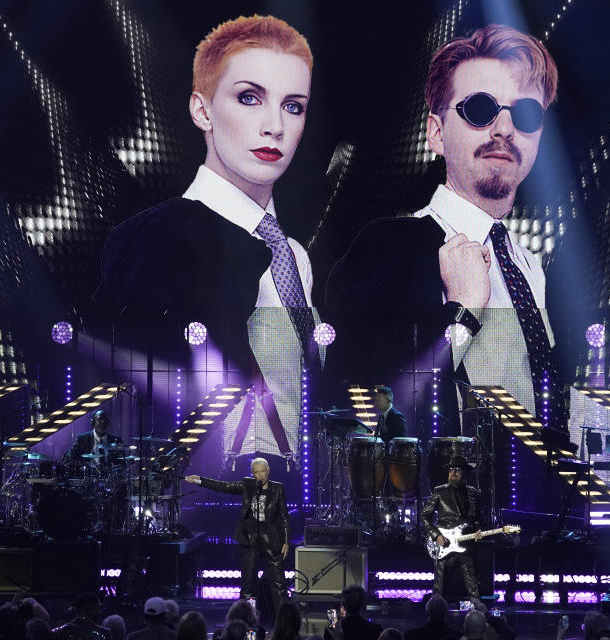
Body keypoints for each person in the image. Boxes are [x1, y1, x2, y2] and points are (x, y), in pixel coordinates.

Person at [93, 14, 320, 465]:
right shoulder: (156, 236)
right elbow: (124, 389)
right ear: (202, 110)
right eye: (249, 98)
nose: (274, 125)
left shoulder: (294, 255)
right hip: (195, 488)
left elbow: (306, 391)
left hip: (296, 488)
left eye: (293, 106)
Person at [325, 24, 565, 432]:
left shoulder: (529, 266)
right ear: (436, 133)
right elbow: (355, 405)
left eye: (525, 114)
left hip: (535, 488)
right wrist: (462, 312)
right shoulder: (387, 245)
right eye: (480, 109)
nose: (505, 129)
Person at [186, 458, 289, 608]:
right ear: (253, 474)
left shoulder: (278, 488)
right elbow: (224, 486)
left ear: (268, 471)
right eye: (256, 472)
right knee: (248, 585)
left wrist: (286, 541)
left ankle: (284, 622)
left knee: (279, 584)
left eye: (262, 471)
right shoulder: (248, 485)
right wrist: (200, 480)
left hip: (271, 540)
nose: (260, 475)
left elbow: (284, 516)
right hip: (250, 540)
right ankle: (248, 620)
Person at [421, 456, 484, 600]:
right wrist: (436, 535)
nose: (453, 472)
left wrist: (478, 530)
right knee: (440, 586)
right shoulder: (439, 491)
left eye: (457, 470)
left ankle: (478, 615)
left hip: (466, 543)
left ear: (465, 473)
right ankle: (435, 614)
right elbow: (424, 516)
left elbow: (479, 519)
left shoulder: (473, 493)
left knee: (473, 586)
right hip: (445, 542)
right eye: (451, 469)